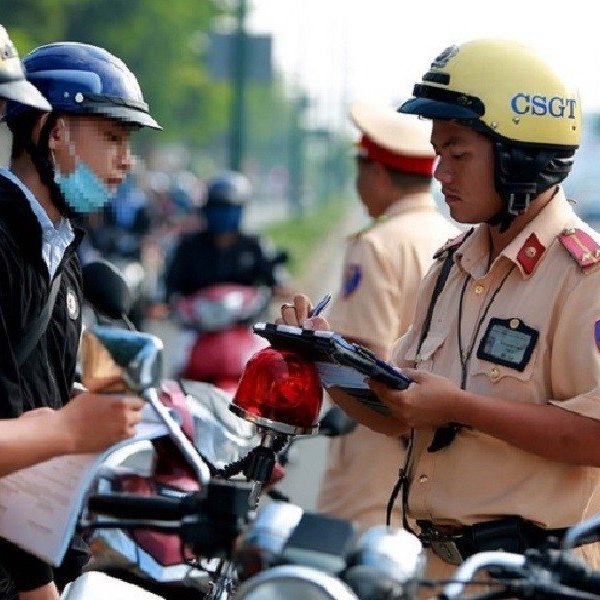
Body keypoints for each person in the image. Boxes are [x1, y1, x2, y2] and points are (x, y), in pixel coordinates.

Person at [280, 38, 600, 586]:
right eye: (437, 153)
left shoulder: (583, 277)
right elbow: (401, 412)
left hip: (532, 580)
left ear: (518, 156)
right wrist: (327, 359)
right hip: (432, 572)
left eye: (458, 154)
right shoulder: (453, 265)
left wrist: (462, 407)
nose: (439, 172)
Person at [0, 41, 160, 600]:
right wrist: (72, 428)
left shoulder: (64, 253)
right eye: (112, 138)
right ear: (53, 130)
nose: (126, 160)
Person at [316, 101, 458, 531]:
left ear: (376, 172)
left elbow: (365, 360)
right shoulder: (455, 239)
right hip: (437, 464)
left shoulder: (376, 246)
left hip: (376, 463)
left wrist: (311, 347)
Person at [165, 170, 290, 301]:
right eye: (216, 206)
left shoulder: (255, 245)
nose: (222, 214)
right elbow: (170, 285)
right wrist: (162, 303)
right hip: (197, 318)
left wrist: (280, 288)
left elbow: (278, 281)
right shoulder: (189, 246)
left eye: (228, 207)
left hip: (245, 318)